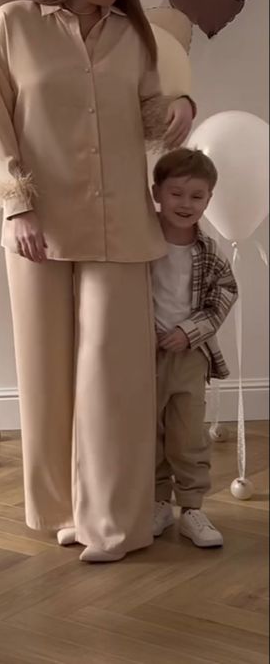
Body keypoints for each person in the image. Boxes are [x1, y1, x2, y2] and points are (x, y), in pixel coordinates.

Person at [0, 0, 195, 563]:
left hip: (120, 226)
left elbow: (148, 116)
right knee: (45, 373)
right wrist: (16, 206)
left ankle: (113, 522)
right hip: (39, 226)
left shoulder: (133, 37)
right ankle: (62, 509)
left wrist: (179, 112)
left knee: (117, 380)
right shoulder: (13, 25)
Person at [150, 148, 238, 548]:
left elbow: (226, 291)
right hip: (141, 355)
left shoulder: (209, 250)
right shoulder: (140, 242)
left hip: (188, 356)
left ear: (209, 200)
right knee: (146, 433)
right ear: (157, 193)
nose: (186, 204)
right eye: (176, 193)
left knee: (187, 435)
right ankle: (156, 504)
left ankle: (192, 509)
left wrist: (190, 331)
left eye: (196, 196)